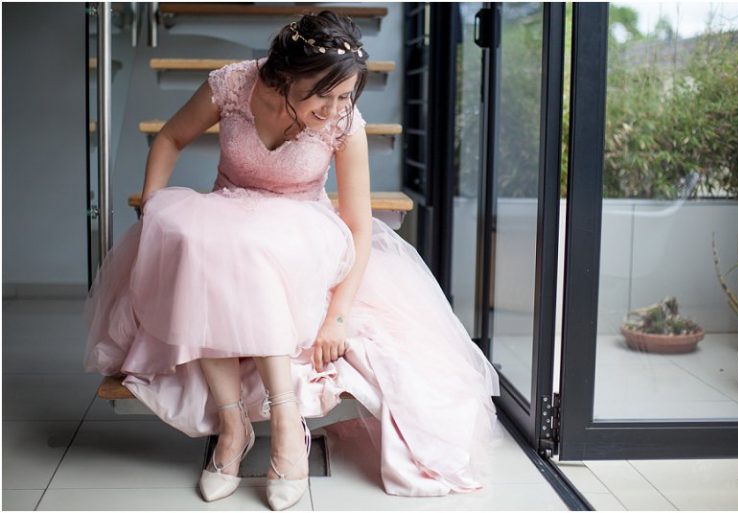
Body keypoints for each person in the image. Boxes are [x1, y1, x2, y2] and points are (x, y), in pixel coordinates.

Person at [84, 10, 501, 511]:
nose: (334, 109)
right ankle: (233, 427)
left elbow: (359, 225)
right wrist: (152, 204)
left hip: (303, 225)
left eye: (345, 96)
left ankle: (286, 426)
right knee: (197, 240)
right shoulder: (234, 85)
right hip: (228, 212)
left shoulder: (344, 123)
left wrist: (338, 316)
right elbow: (170, 138)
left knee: (250, 250)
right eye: (323, 95)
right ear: (285, 77)